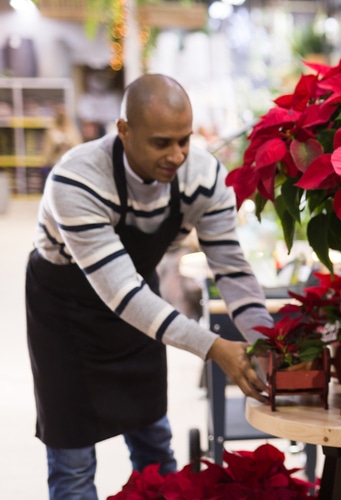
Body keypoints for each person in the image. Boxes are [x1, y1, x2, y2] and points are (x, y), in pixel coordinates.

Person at [25, 74, 272, 499]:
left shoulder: (204, 177)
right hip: (65, 315)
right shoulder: (76, 179)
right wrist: (213, 347)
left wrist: (264, 339)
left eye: (184, 140)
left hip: (140, 309)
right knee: (73, 462)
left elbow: (231, 269)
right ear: (124, 131)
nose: (176, 155)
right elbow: (120, 292)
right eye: (161, 143)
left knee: (155, 449)